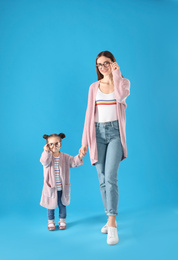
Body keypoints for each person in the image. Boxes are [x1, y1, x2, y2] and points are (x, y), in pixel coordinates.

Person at [79, 51, 130, 245]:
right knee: (101, 178)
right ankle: (109, 218)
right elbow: (88, 116)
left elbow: (121, 95)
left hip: (115, 133)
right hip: (97, 134)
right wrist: (84, 142)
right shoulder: (93, 87)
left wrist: (117, 73)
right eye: (99, 65)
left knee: (110, 177)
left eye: (106, 63)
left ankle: (113, 223)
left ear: (113, 63)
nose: (102, 67)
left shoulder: (123, 83)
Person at [40, 133, 83, 231]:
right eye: (51, 144)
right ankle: (50, 221)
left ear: (61, 143)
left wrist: (80, 155)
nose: (54, 146)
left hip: (62, 187)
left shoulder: (65, 157)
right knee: (50, 206)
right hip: (51, 187)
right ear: (47, 145)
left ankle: (62, 220)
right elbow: (44, 162)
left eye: (56, 143)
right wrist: (46, 151)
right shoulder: (47, 156)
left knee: (62, 204)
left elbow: (74, 162)